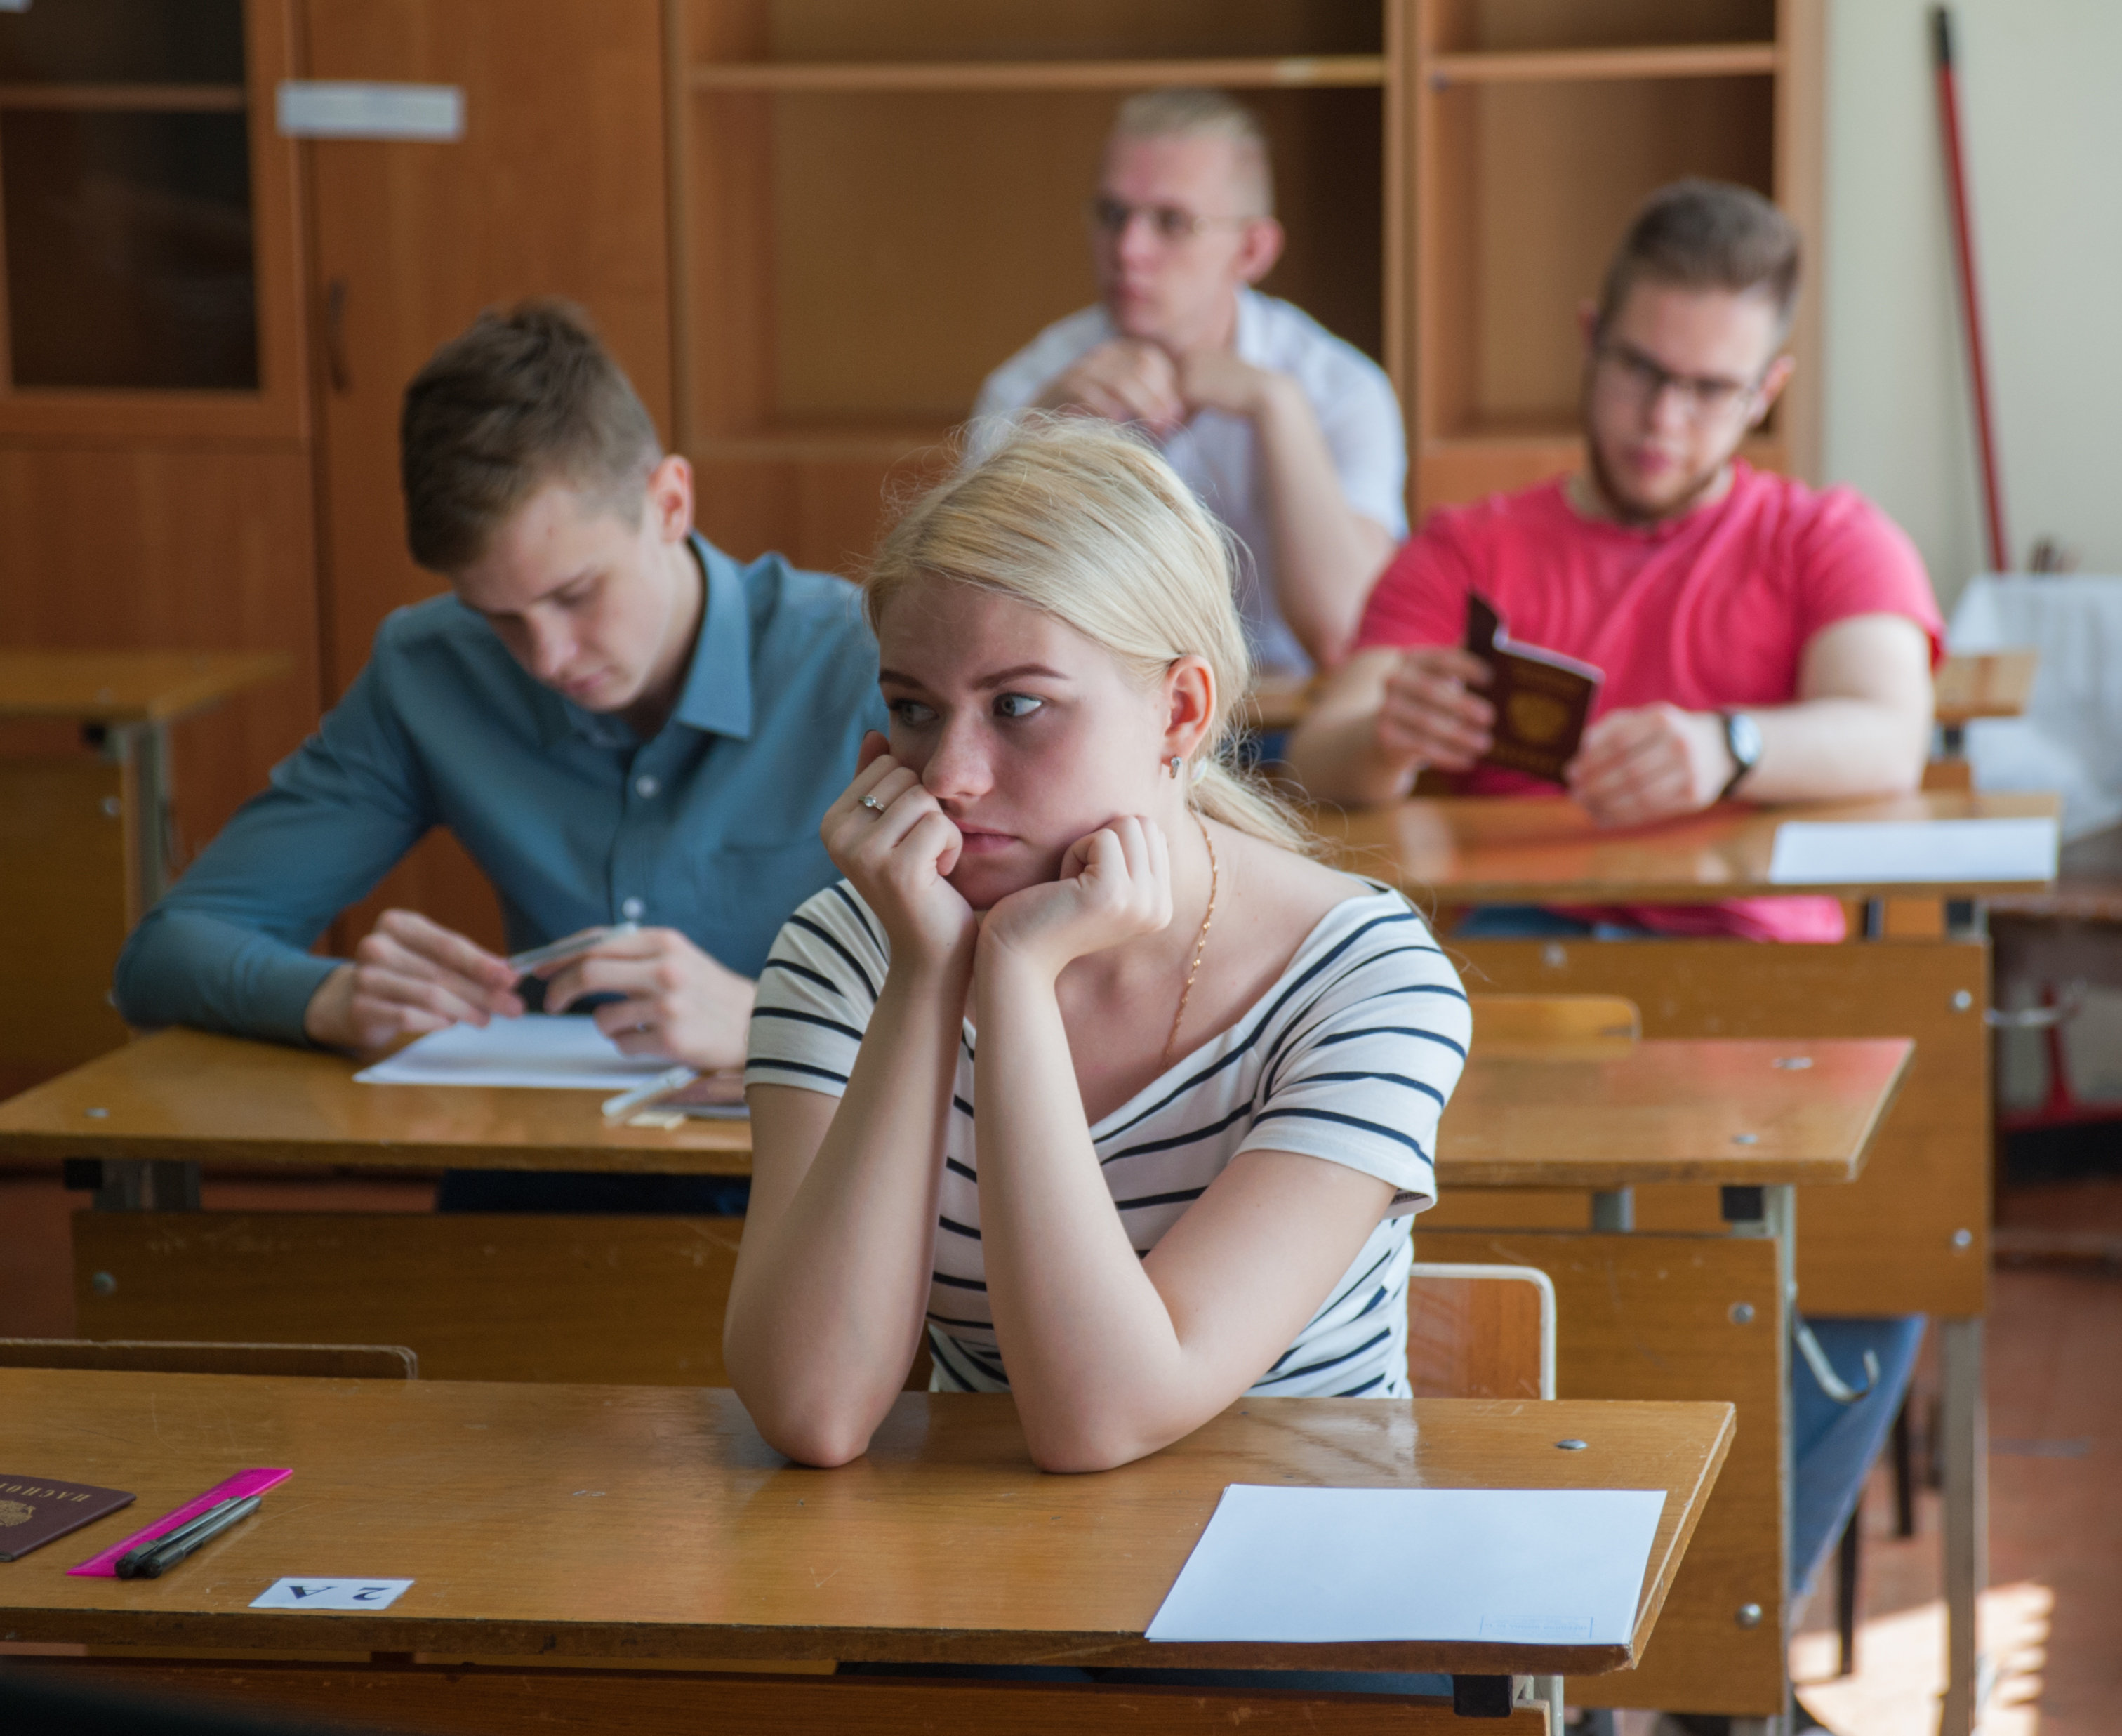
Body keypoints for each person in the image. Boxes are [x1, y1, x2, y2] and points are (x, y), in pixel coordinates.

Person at [724, 417, 1467, 1479]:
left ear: (1179, 709)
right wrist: (930, 978)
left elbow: (1099, 1419)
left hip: (1290, 1572)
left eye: (1017, 706)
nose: (948, 775)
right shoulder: (850, 955)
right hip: (989, 1571)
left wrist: (1017, 980)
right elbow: (815, 1408)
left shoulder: (1362, 981)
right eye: (913, 709)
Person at [113, 300, 884, 1210]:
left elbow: (1045, 1004)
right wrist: (335, 1000)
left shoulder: (864, 661)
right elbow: (163, 955)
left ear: (668, 502)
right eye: (500, 617)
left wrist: (770, 1017)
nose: (547, 658)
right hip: (532, 1209)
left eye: (575, 592)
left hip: (819, 1208)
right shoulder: (431, 670)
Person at [1287, 179, 1944, 943]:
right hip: (1524, 945)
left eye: (1707, 389)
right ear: (1590, 337)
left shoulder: (1829, 538)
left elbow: (1890, 738)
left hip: (1751, 948)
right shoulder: (1467, 548)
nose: (1662, 419)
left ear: (1766, 391)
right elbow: (1318, 758)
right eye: (1638, 368)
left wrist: (1727, 749)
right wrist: (1385, 736)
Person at [972, 88, 1405, 681]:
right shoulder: (1029, 388)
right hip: (1098, 732)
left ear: (1251, 249)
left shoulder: (1343, 390)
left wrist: (1279, 410)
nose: (1128, 251)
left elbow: (1342, 633)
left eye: (1172, 222)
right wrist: (1043, 434)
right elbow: (973, 622)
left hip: (1288, 731)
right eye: (1111, 214)